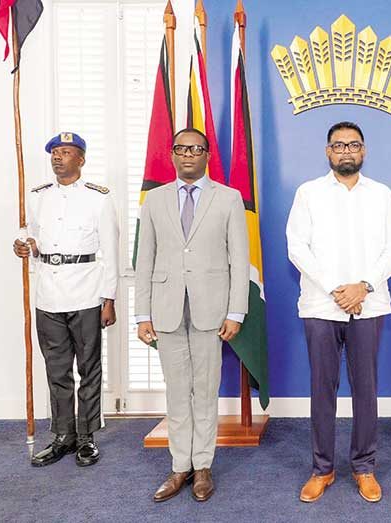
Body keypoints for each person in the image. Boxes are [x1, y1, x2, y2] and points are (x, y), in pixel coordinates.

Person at [286, 121, 391, 503]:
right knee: (322, 389)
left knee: (365, 388)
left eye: (353, 145)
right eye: (338, 145)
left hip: (368, 304)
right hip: (321, 304)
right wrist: (336, 289)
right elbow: (297, 247)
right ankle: (322, 468)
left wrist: (363, 286)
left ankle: (364, 466)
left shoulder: (382, 194)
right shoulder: (309, 193)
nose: (346, 151)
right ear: (328, 152)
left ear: (364, 151)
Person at [134, 128, 249, 502]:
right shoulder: (154, 200)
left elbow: (239, 259)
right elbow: (144, 258)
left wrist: (236, 311)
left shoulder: (229, 198)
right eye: (181, 149)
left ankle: (202, 467)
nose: (188, 155)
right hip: (166, 309)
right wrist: (141, 314)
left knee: (205, 389)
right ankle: (179, 466)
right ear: (172, 154)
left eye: (196, 149)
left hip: (211, 310)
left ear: (207, 155)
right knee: (177, 390)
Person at [12, 132, 119, 468]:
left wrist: (109, 298)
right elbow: (29, 236)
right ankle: (63, 436)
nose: (58, 157)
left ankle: (87, 438)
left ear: (81, 159)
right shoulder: (37, 197)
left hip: (86, 291)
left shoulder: (98, 199)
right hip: (48, 294)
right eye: (55, 152)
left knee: (88, 368)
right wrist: (22, 246)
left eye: (66, 152)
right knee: (57, 371)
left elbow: (111, 253)